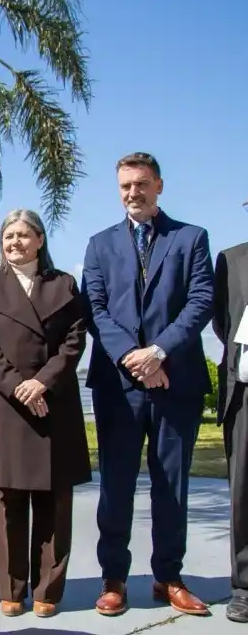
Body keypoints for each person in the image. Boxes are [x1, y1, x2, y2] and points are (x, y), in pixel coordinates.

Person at [82, 152, 213, 617]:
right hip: (118, 386)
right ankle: (113, 578)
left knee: (170, 485)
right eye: (124, 187)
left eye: (141, 184)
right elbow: (94, 309)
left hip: (176, 381)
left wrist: (158, 351)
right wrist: (133, 359)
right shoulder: (99, 245)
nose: (132, 193)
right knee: (115, 485)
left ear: (159, 185)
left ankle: (168, 577)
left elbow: (201, 300)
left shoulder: (191, 238)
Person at [0, 209, 90, 618]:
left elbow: (74, 342)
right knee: (5, 500)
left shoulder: (65, 285)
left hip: (54, 403)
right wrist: (20, 387)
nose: (15, 243)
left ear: (39, 240)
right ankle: (10, 588)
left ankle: (47, 592)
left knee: (54, 502)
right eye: (8, 236)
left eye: (23, 235)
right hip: (5, 406)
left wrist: (42, 382)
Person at [212, 238, 248, 622]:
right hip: (245, 393)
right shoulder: (232, 259)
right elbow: (223, 322)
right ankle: (244, 589)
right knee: (243, 492)